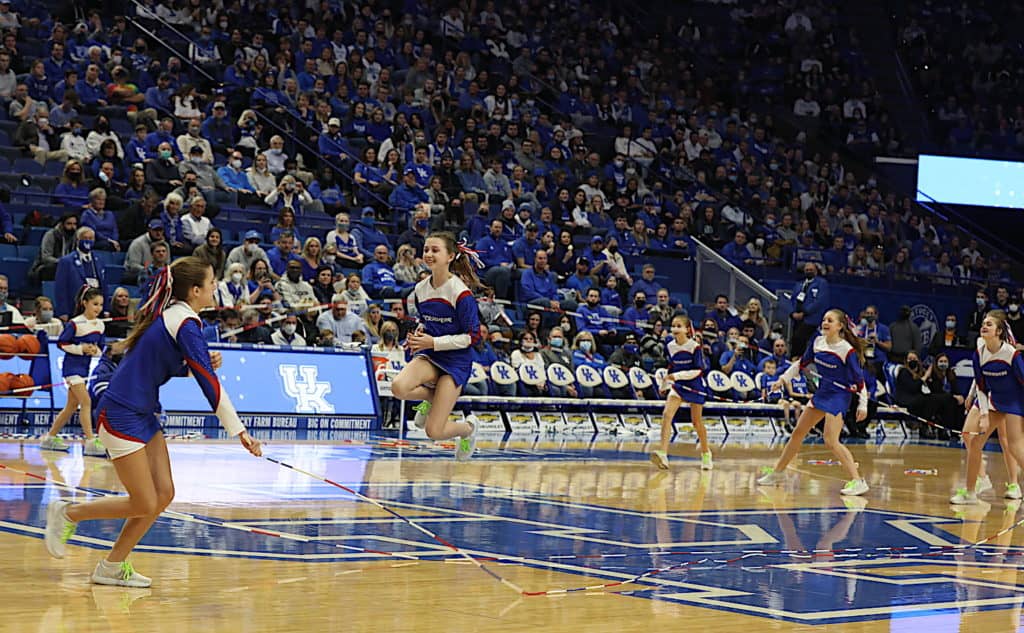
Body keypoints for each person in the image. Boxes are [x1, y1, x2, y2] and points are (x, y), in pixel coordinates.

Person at [43, 257, 263, 587]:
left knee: (163, 493)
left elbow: (164, 364)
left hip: (142, 411)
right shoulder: (184, 322)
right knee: (144, 500)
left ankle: (111, 566)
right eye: (211, 282)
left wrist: (196, 364)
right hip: (121, 412)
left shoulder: (176, 316)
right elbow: (209, 383)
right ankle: (69, 512)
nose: (215, 286)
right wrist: (240, 431)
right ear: (195, 290)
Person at [390, 232, 483, 460]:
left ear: (450, 256)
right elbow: (425, 320)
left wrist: (433, 341)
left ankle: (468, 429)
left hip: (456, 362)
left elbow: (473, 337)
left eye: (435, 250)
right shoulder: (420, 289)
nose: (429, 254)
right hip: (431, 355)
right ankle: (433, 399)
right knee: (398, 388)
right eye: (426, 250)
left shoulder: (461, 293)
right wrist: (420, 332)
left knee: (434, 432)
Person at [758, 309, 870, 496]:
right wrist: (783, 379)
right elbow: (801, 364)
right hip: (822, 393)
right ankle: (778, 473)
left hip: (839, 396)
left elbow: (860, 381)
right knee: (798, 433)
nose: (825, 322)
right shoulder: (818, 342)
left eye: (830, 320)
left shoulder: (846, 350)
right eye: (824, 319)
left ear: (840, 326)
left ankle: (858, 481)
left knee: (831, 441)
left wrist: (863, 404)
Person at [954, 311, 1024, 505]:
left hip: (1014, 402)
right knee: (974, 441)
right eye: (983, 323)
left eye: (989, 324)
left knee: (1015, 446)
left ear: (999, 331)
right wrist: (984, 414)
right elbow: (981, 386)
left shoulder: (1011, 353)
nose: (984, 326)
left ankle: (1014, 483)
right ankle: (970, 492)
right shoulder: (979, 353)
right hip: (994, 400)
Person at [40, 287, 106, 456]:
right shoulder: (75, 323)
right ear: (85, 303)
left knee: (71, 406)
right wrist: (80, 349)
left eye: (100, 305)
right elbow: (61, 343)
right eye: (95, 304)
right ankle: (90, 441)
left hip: (84, 369)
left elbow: (101, 347)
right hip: (71, 368)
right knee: (86, 401)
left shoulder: (100, 325)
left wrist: (95, 351)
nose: (98, 308)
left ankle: (50, 438)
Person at [650, 314, 713, 471]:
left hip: (694, 384)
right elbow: (671, 367)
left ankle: (706, 453)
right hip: (678, 386)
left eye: (679, 326)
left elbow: (698, 370)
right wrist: (665, 384)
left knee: (696, 422)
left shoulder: (694, 347)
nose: (675, 329)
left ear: (687, 329)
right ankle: (663, 454)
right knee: (667, 415)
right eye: (673, 326)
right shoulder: (670, 346)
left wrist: (676, 376)